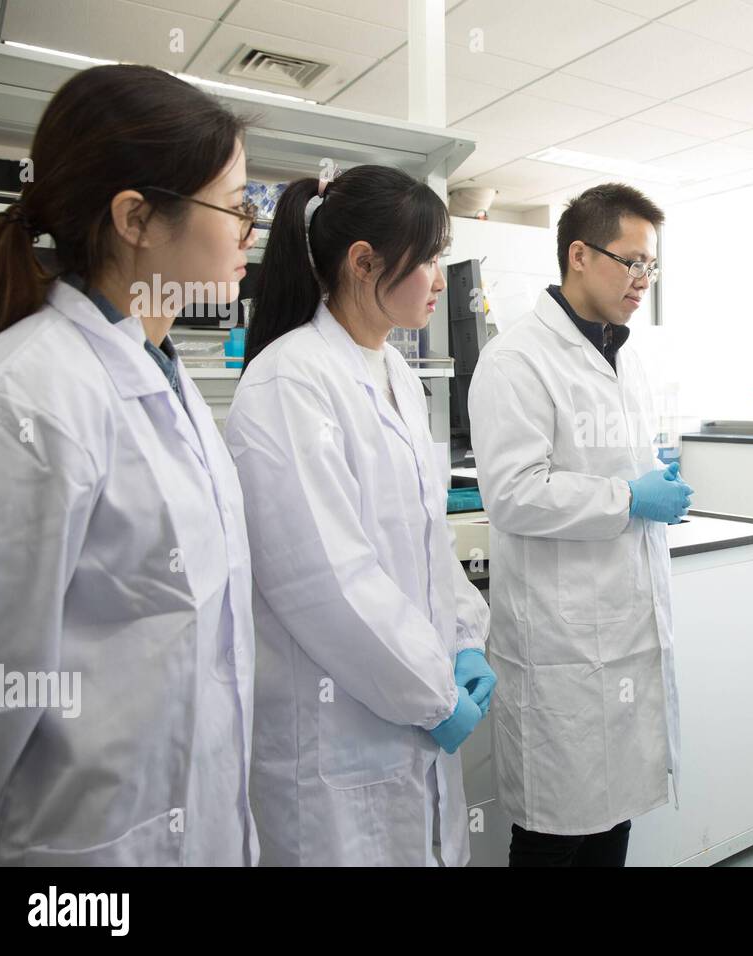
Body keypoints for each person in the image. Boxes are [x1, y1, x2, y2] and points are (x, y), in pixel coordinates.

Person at [0, 65, 258, 865]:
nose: (249, 230)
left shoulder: (165, 380)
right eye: (236, 206)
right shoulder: (23, 397)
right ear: (137, 217)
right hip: (80, 860)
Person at [225, 165, 491, 866]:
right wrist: (435, 693)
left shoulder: (395, 373)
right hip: (335, 731)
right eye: (428, 257)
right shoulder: (290, 381)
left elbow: (427, 540)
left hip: (407, 702)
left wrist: (463, 636)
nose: (441, 276)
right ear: (363, 261)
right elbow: (326, 579)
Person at [469, 183, 690, 866]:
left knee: (612, 819)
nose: (643, 281)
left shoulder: (628, 357)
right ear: (578, 255)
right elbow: (513, 493)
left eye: (651, 266)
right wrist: (630, 499)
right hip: (558, 644)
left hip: (624, 630)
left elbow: (625, 464)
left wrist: (654, 484)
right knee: (554, 834)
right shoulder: (517, 359)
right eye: (632, 262)